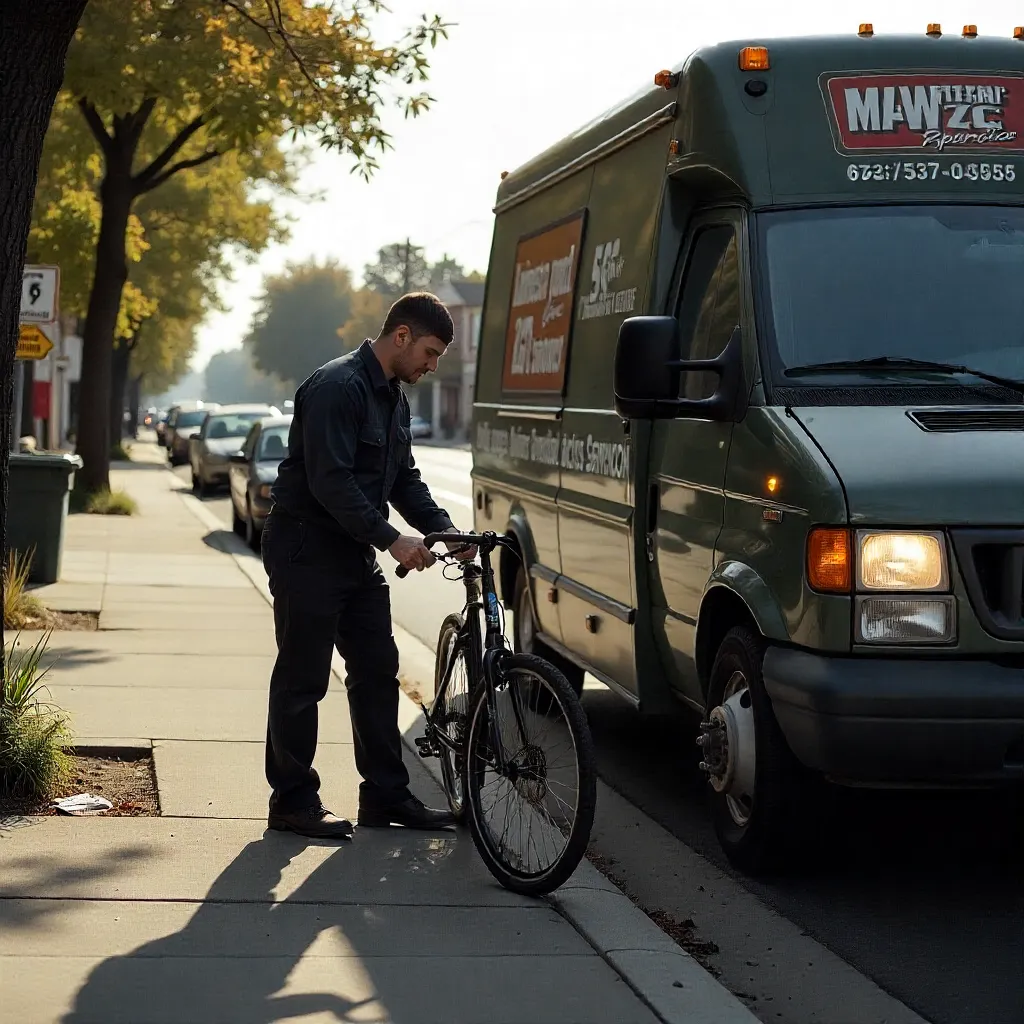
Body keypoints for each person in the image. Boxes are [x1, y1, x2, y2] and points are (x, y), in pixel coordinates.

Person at [261, 292, 473, 839]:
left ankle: (385, 795)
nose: (431, 365)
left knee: (378, 669)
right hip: (306, 547)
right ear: (400, 336)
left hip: (352, 553)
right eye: (429, 352)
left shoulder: (393, 397)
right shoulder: (338, 387)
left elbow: (403, 478)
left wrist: (444, 530)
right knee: (303, 678)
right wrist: (393, 540)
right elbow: (330, 481)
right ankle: (291, 801)